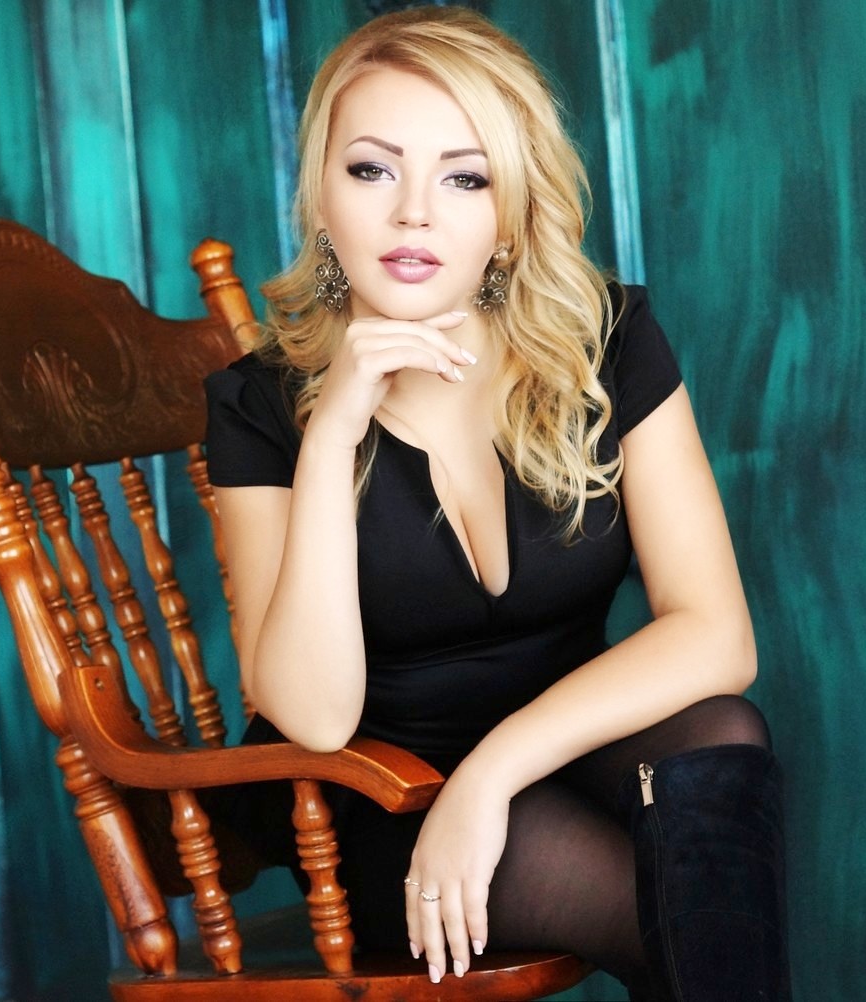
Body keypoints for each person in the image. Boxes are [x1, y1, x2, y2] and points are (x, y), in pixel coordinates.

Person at [203, 7, 791, 999]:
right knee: (682, 916)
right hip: (375, 797)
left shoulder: (607, 341)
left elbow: (717, 637)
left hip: (557, 744)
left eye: (464, 178)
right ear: (321, 197)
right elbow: (313, 715)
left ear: (511, 212)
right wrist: (334, 432)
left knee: (721, 734)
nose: (414, 215)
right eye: (373, 170)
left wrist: (493, 771)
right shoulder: (259, 406)